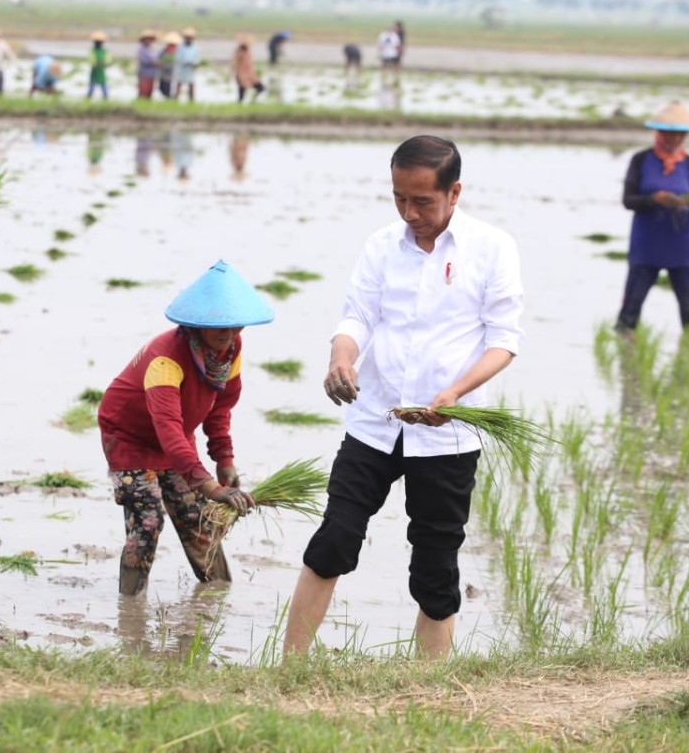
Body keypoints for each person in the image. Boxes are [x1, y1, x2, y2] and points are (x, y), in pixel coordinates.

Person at [283, 135, 525, 660]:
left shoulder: (492, 247)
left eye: (422, 201)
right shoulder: (380, 246)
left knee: (436, 562)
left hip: (448, 435)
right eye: (399, 198)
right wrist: (340, 358)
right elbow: (357, 318)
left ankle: (429, 685)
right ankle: (289, 667)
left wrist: (455, 394)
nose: (409, 212)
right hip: (373, 423)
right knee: (333, 540)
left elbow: (504, 339)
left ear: (454, 192)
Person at [98, 260, 272, 595]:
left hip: (174, 438)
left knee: (199, 521)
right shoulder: (167, 359)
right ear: (196, 323)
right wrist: (210, 487)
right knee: (148, 520)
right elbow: (169, 431)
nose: (229, 332)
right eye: (219, 325)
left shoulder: (230, 350)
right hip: (129, 436)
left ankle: (217, 596)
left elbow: (219, 408)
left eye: (236, 325)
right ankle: (131, 608)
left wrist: (224, 460)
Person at [615, 101, 689, 333]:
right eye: (669, 133)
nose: (674, 139)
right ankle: (626, 350)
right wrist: (655, 199)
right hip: (647, 245)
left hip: (682, 247)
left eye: (680, 134)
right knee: (630, 313)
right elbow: (629, 201)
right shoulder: (641, 160)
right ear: (659, 132)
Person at [231, 34, 265, 103]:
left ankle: (253, 100)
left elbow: (250, 63)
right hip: (241, 74)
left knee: (261, 88)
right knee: (242, 91)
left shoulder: (248, 50)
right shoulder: (239, 51)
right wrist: (233, 72)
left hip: (250, 74)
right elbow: (234, 63)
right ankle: (240, 104)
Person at [173, 27, 200, 102]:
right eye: (187, 38)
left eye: (190, 38)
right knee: (179, 83)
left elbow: (197, 57)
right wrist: (185, 62)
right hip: (182, 68)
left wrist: (195, 64)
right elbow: (178, 57)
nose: (189, 39)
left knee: (191, 84)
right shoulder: (180, 46)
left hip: (191, 68)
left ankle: (191, 100)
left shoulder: (195, 47)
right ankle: (176, 99)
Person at [87, 30, 111, 100]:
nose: (98, 43)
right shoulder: (92, 51)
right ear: (94, 42)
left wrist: (104, 63)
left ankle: (106, 99)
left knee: (104, 87)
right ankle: (88, 99)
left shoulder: (105, 51)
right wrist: (99, 63)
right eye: (97, 42)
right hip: (94, 71)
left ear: (102, 43)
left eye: (99, 42)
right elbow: (91, 61)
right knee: (92, 87)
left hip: (101, 71)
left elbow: (108, 61)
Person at [136, 29, 158, 100]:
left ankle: (147, 104)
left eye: (150, 39)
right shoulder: (142, 50)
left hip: (151, 73)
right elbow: (143, 61)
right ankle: (141, 104)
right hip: (144, 73)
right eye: (147, 39)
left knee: (150, 90)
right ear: (144, 40)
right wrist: (153, 63)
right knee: (143, 90)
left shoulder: (151, 49)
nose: (148, 41)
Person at [157, 32, 179, 98]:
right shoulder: (163, 51)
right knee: (162, 87)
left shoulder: (177, 52)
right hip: (164, 73)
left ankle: (170, 98)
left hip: (172, 73)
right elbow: (159, 59)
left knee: (170, 87)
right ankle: (168, 97)